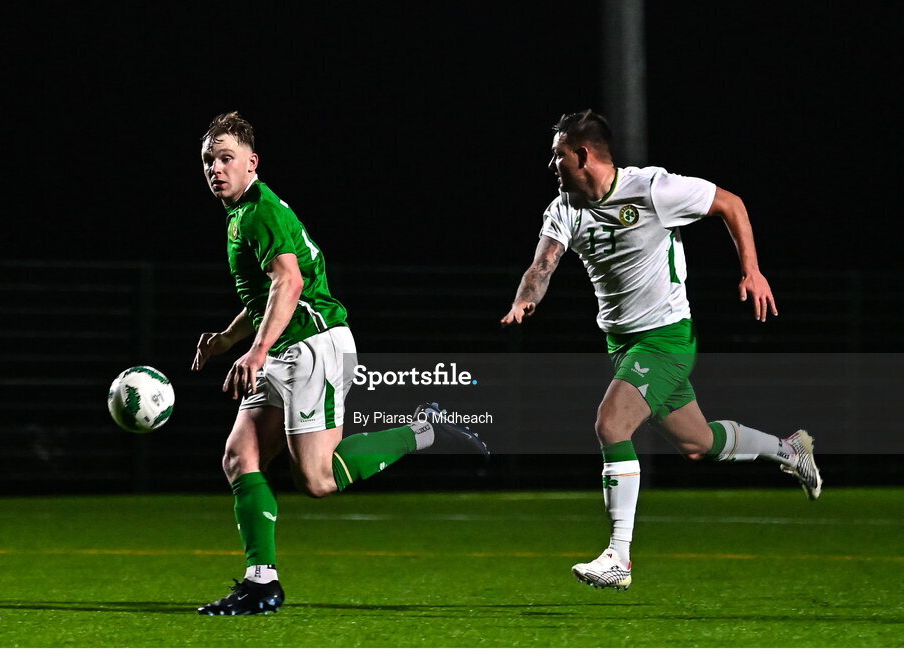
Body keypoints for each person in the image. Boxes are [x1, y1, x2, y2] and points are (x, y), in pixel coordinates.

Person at [500, 109, 821, 591]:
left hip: (666, 338)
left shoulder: (652, 189)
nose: (552, 165)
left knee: (611, 423)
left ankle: (619, 557)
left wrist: (751, 271)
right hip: (623, 343)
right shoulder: (564, 206)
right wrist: (525, 297)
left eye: (558, 155)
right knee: (699, 444)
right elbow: (543, 263)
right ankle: (789, 451)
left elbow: (731, 203)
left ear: (583, 154)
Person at [192, 111, 489, 615]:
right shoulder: (241, 214)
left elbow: (290, 284)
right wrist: (226, 340)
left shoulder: (259, 211)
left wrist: (256, 351)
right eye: (208, 161)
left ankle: (425, 429)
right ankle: (261, 582)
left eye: (226, 158)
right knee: (239, 456)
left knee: (317, 480)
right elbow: (268, 294)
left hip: (313, 347)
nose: (215, 168)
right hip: (285, 347)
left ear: (252, 162)